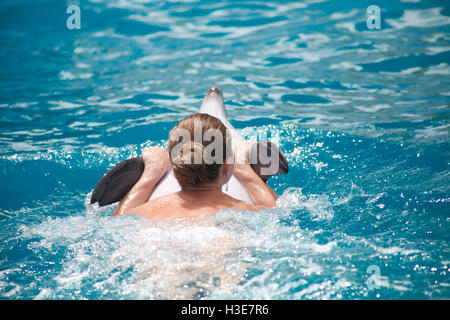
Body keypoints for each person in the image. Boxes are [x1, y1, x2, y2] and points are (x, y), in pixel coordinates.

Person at [113, 113, 278, 219]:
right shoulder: (242, 211)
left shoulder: (146, 212)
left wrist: (151, 173)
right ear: (226, 167)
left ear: (175, 165)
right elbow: (279, 213)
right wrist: (244, 168)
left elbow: (117, 221)